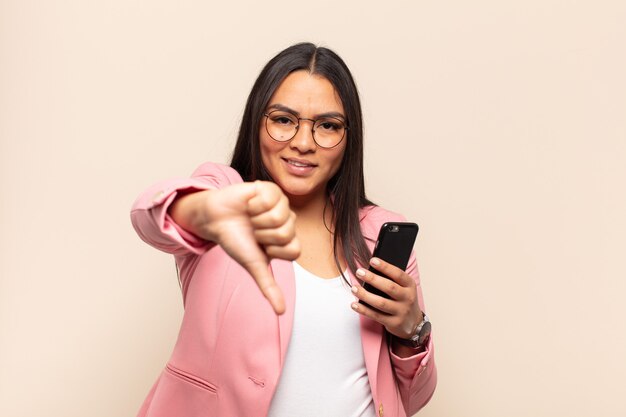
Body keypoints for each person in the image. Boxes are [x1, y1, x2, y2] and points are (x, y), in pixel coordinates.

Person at [130, 42, 436, 417]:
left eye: (327, 125)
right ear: (257, 122)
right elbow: (149, 216)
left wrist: (412, 331)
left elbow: (414, 399)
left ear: (348, 138)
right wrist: (204, 209)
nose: (303, 143)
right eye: (283, 119)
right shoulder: (226, 195)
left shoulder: (377, 232)